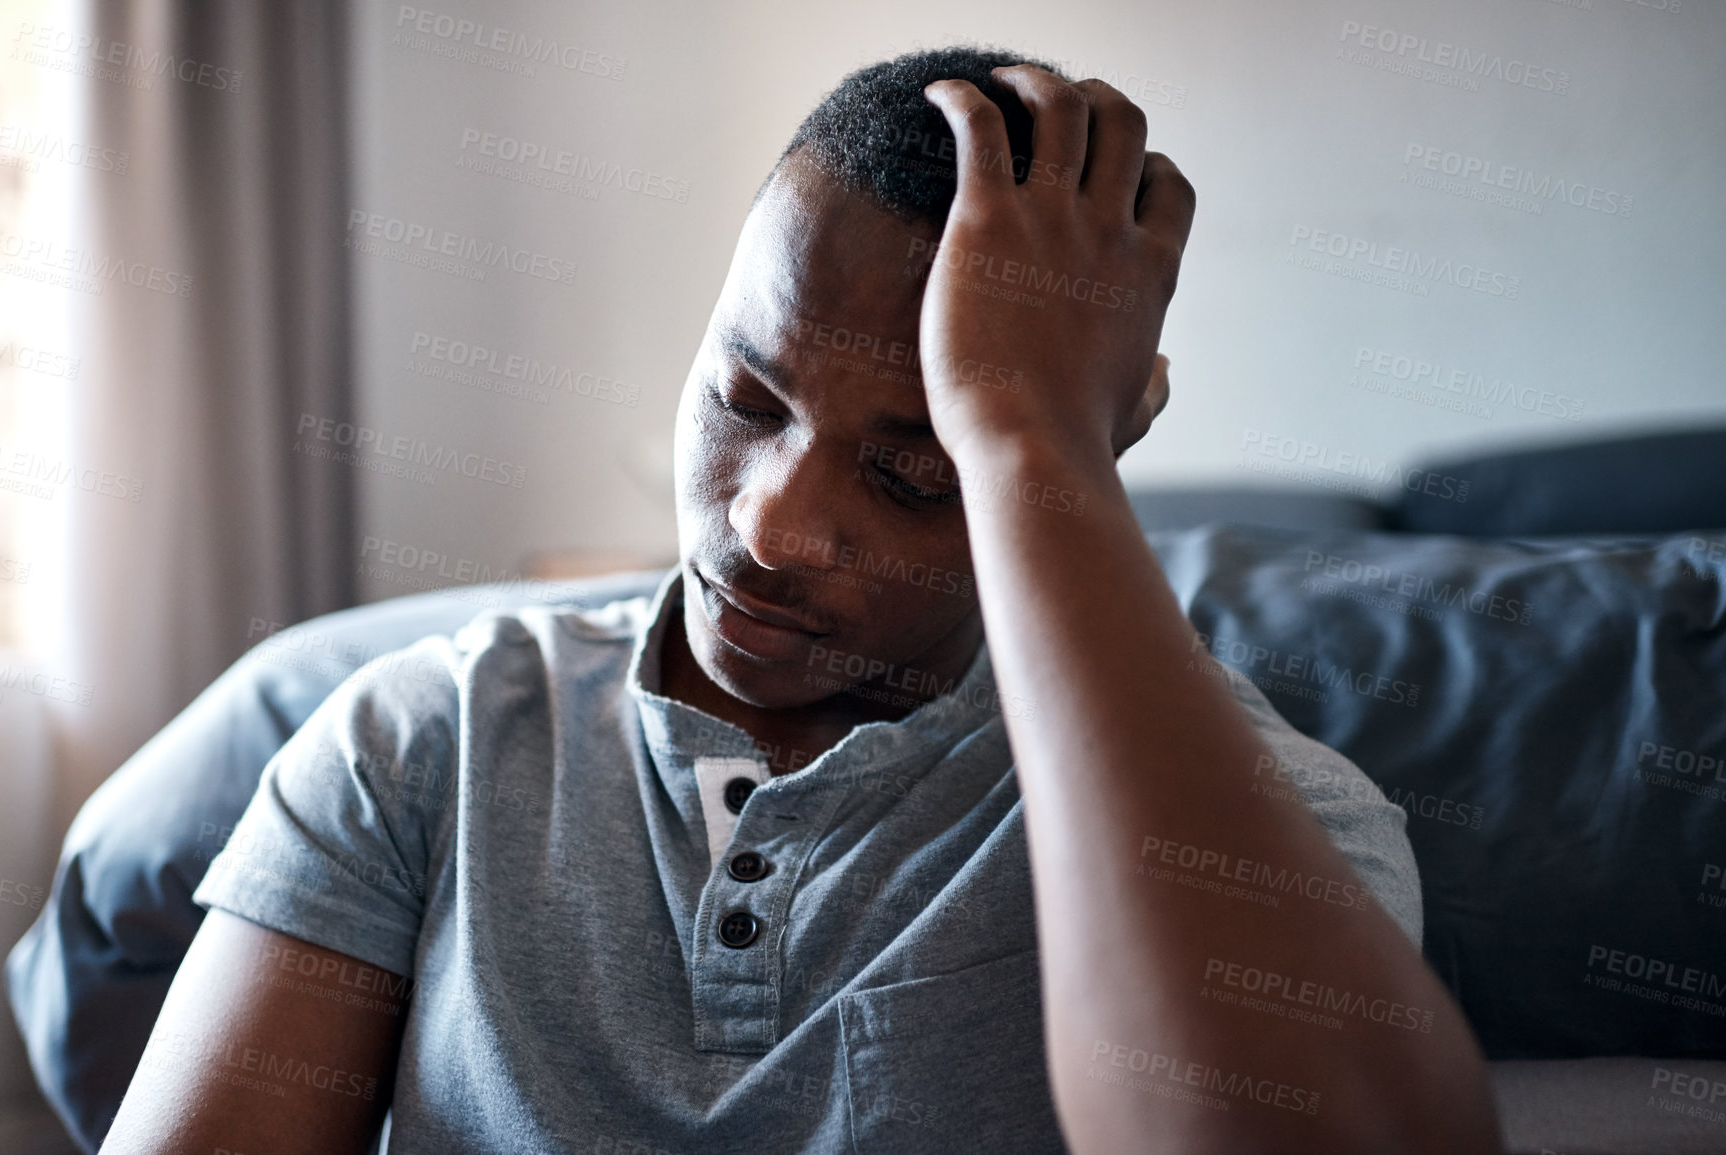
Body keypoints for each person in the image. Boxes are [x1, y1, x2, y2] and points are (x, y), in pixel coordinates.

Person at [100, 46, 1502, 1154]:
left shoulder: (1279, 825)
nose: (767, 527)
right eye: (743, 397)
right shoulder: (425, 740)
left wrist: (1025, 433)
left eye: (910, 474)